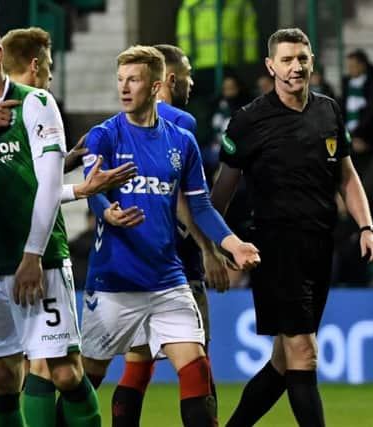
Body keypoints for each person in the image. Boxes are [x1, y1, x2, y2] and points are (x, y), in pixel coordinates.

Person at [0, 25, 133, 426]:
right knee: (6, 374)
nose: (50, 74)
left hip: (40, 257)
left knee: (60, 369)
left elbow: (43, 183)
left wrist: (69, 189)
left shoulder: (36, 104)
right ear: (37, 64)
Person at [79, 45, 260, 427]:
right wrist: (106, 212)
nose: (125, 88)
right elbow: (93, 190)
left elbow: (200, 206)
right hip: (115, 279)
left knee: (195, 367)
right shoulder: (104, 136)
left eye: (134, 80)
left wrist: (231, 244)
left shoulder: (181, 141)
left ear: (157, 85)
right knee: (83, 381)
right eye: (121, 80)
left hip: (167, 279)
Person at [211, 28, 373, 427]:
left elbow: (347, 175)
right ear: (271, 66)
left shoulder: (328, 110)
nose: (296, 67)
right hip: (275, 248)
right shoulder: (249, 120)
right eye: (287, 60)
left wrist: (366, 227)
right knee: (304, 352)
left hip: (320, 245)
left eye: (302, 58)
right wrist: (211, 246)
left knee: (284, 361)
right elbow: (221, 193)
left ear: (312, 62)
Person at [105, 43, 231, 427]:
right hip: (176, 265)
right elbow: (184, 198)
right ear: (170, 80)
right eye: (188, 75)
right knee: (196, 364)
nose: (192, 83)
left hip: (131, 263)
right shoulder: (181, 123)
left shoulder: (118, 125)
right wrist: (210, 250)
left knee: (136, 364)